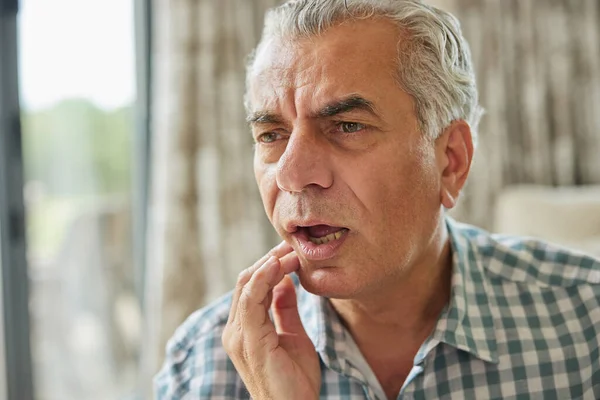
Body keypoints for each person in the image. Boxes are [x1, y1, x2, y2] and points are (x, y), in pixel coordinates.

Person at [154, 0, 600, 398]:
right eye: (271, 135)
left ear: (450, 162)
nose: (291, 174)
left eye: (347, 126)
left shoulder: (587, 320)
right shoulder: (198, 366)